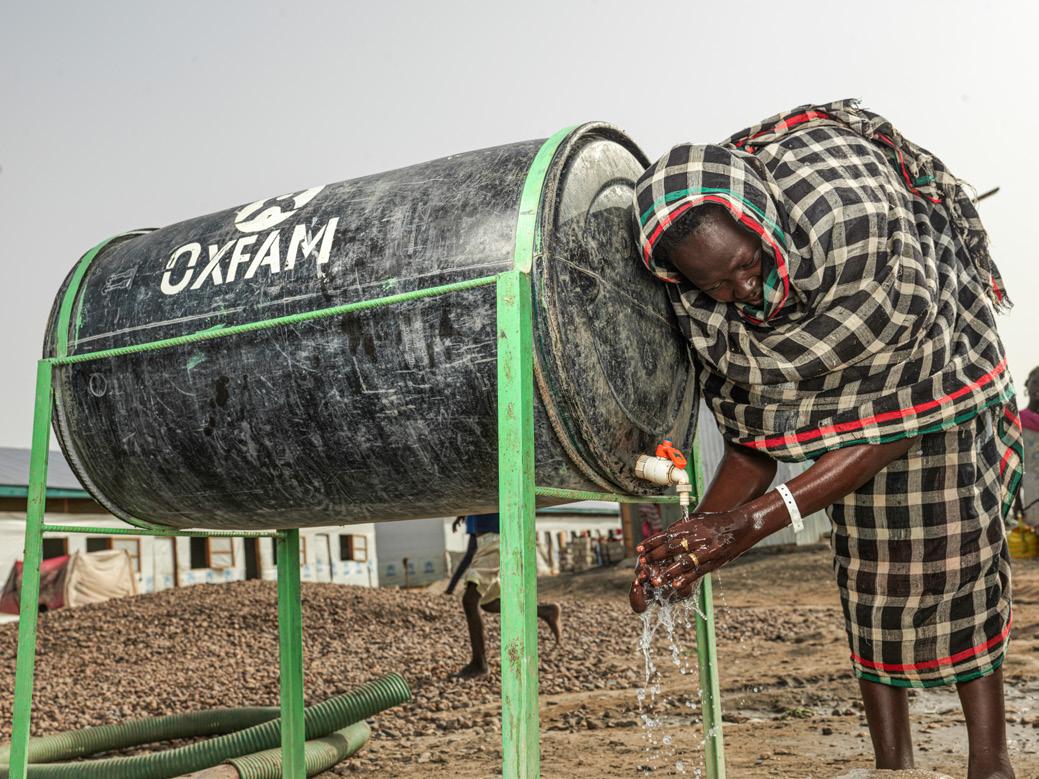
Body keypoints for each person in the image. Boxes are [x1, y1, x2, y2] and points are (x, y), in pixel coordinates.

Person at [629, 100, 1022, 779]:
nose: (742, 287)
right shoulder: (704, 310)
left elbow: (901, 417)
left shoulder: (855, 232)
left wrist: (751, 522)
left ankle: (990, 763)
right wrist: (689, 547)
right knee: (868, 571)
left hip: (937, 360)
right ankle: (892, 767)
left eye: (747, 262)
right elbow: (755, 437)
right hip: (868, 421)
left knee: (958, 559)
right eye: (714, 283)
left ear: (760, 220)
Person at [453, 512, 563, 678]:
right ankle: (545, 611)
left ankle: (479, 664)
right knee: (488, 602)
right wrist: (465, 511)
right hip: (486, 540)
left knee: (470, 600)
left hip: (496, 538)